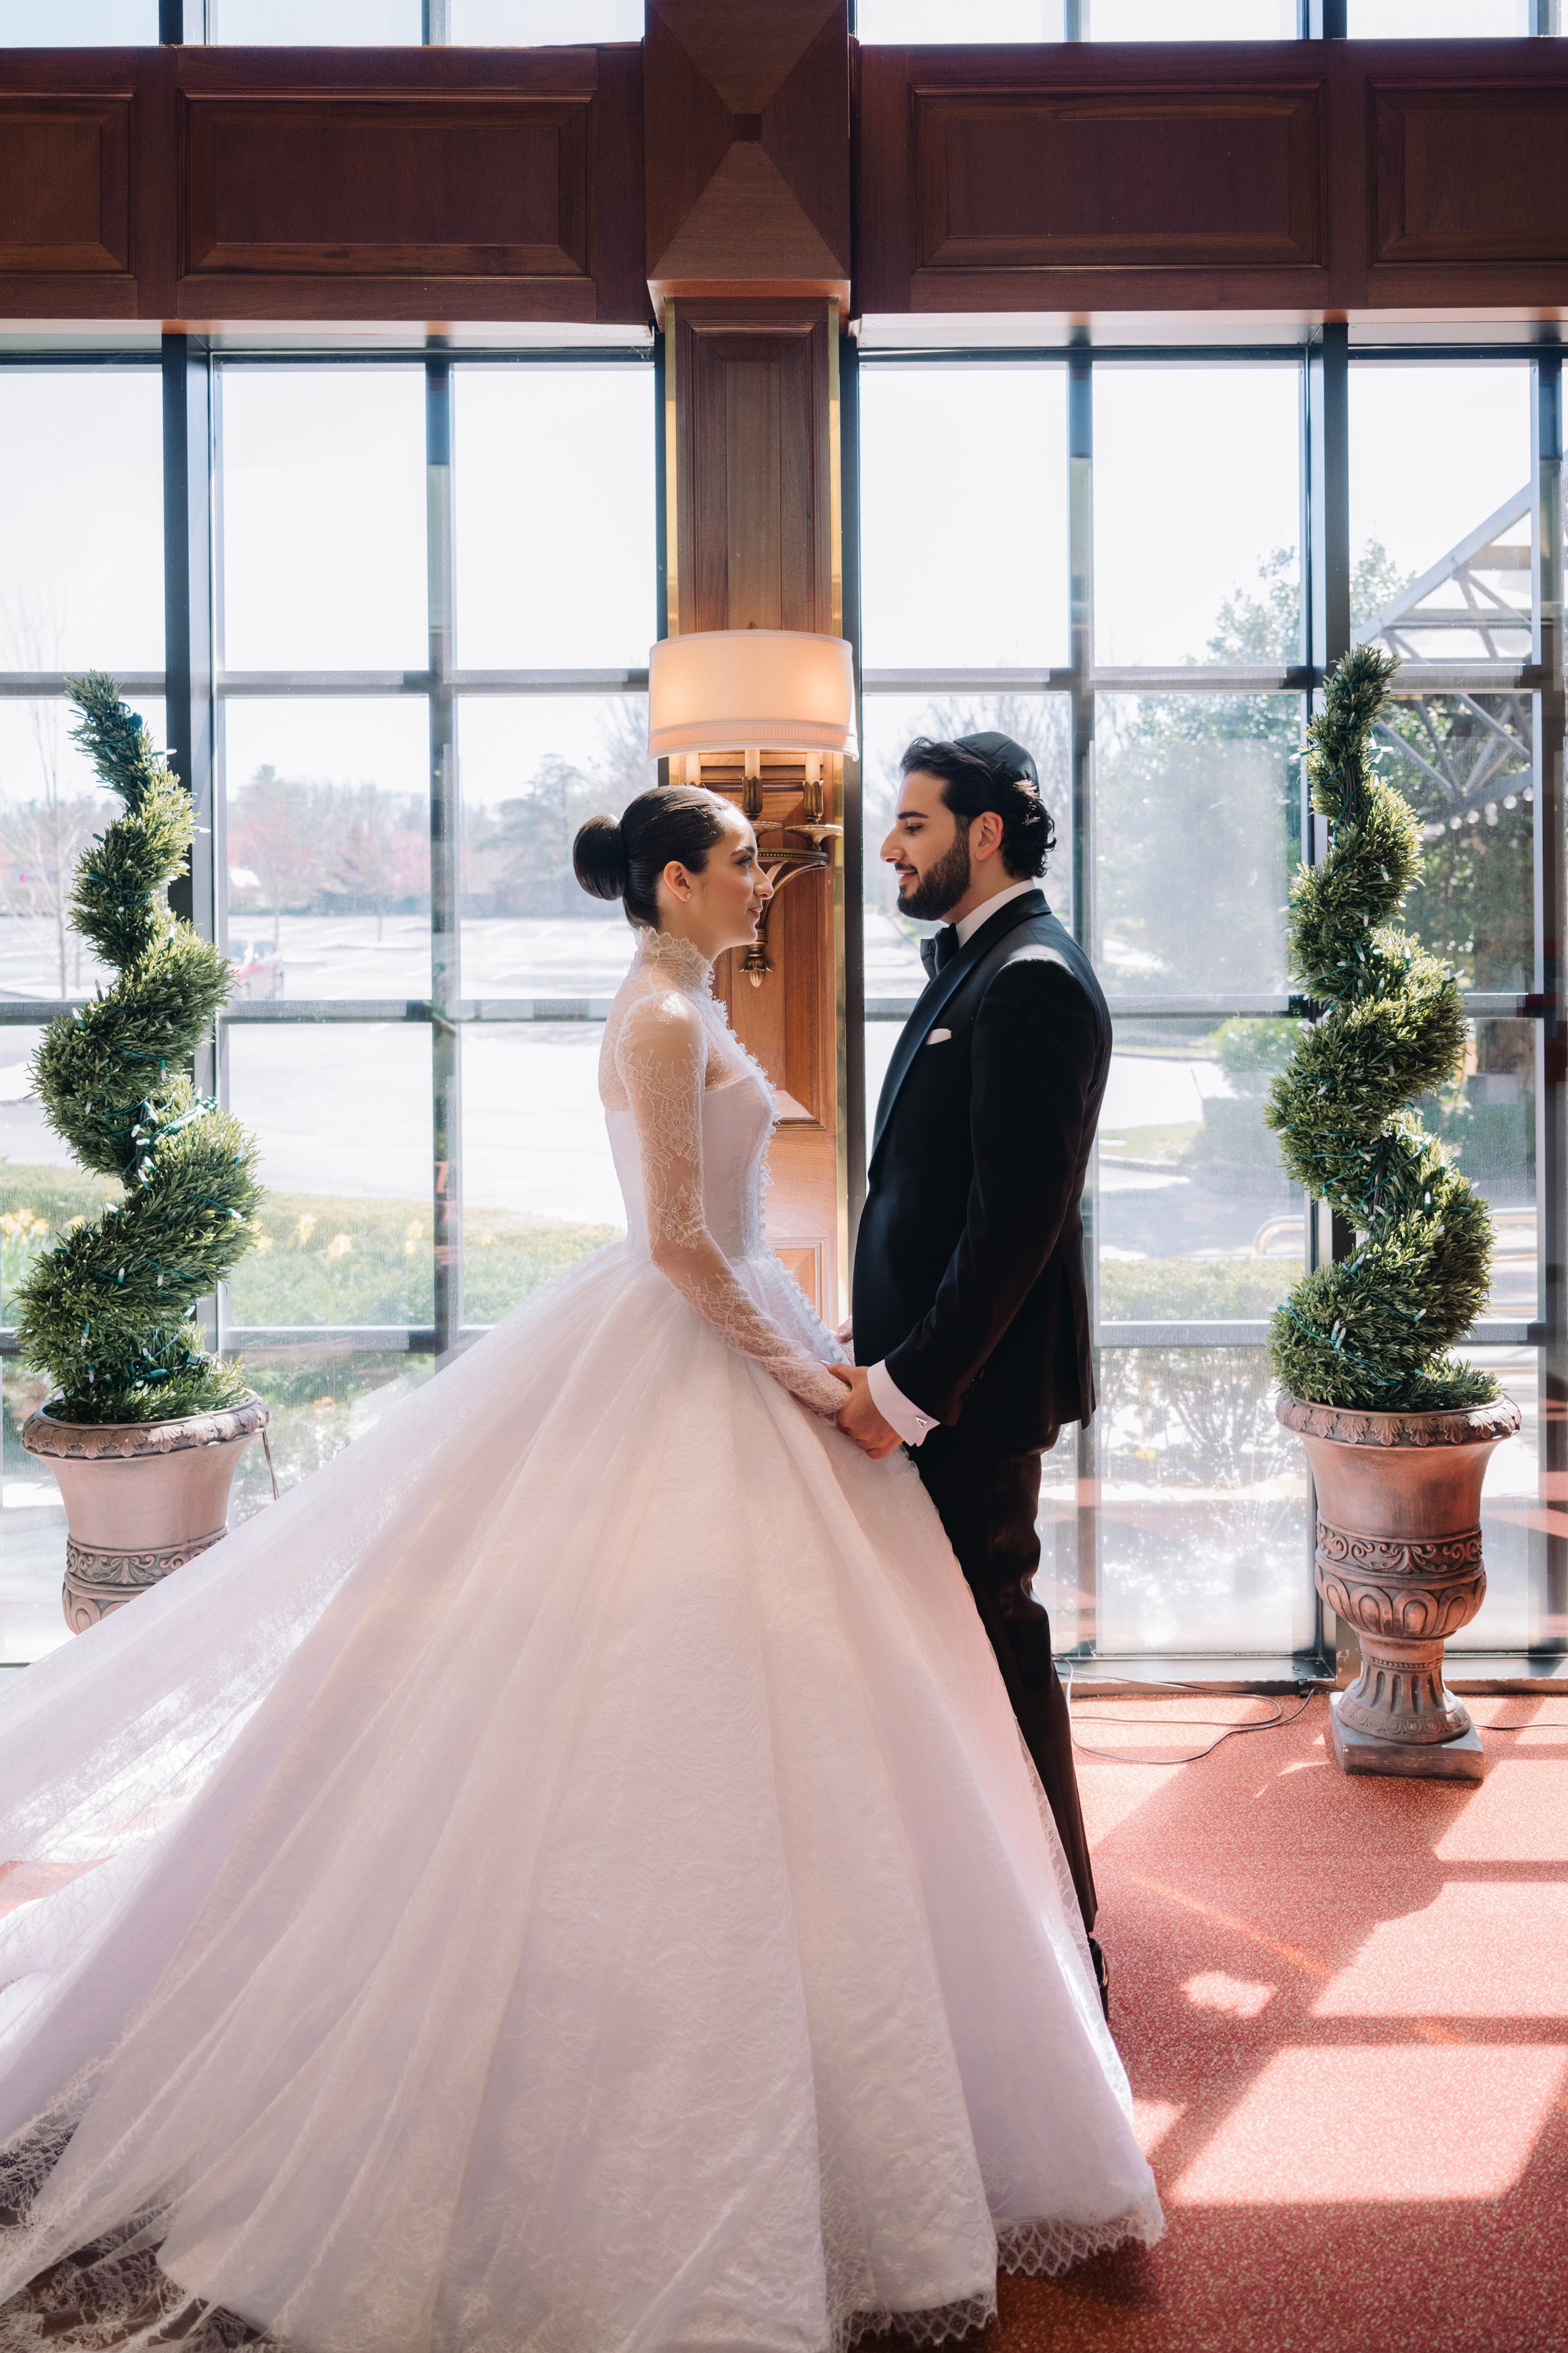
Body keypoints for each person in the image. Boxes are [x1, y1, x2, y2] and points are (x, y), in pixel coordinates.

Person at [0, 784, 1158, 2353]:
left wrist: (810, 1346)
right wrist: (804, 1371)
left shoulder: (691, 1001)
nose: (766, 881)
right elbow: (677, 1243)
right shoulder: (663, 1017)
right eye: (740, 863)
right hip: (696, 1357)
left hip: (742, 1344)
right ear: (675, 882)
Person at [836, 734, 1111, 2010]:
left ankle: (1065, 1946)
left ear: (983, 833)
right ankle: (988, 1931)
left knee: (997, 1649)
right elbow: (928, 1195)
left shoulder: (1031, 978)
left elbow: (1014, 1226)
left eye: (912, 823)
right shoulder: (977, 962)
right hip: (933, 1383)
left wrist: (908, 1390)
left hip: (973, 1399)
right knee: (960, 1655)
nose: (890, 847)